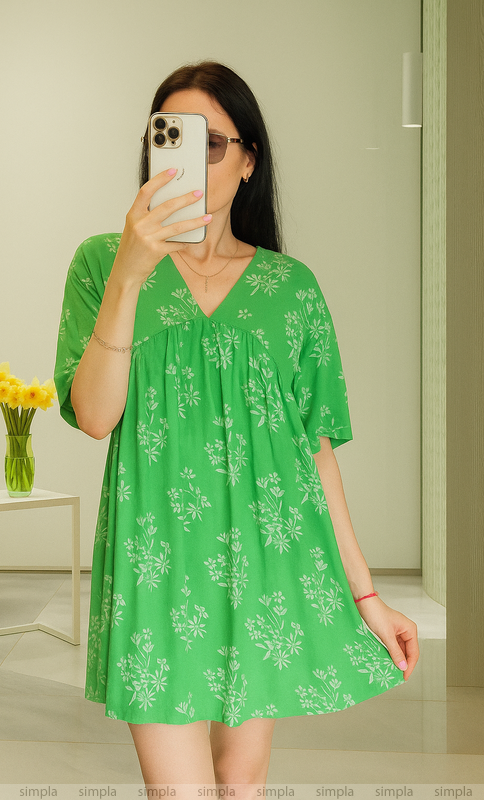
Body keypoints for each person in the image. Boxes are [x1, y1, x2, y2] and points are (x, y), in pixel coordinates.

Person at [54, 60, 419, 796]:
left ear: (249, 160)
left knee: (240, 786)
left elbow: (313, 450)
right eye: (170, 137)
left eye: (210, 142)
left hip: (266, 565)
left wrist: (364, 595)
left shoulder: (291, 288)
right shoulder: (102, 262)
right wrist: (130, 273)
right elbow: (94, 416)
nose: (188, 158)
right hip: (154, 563)